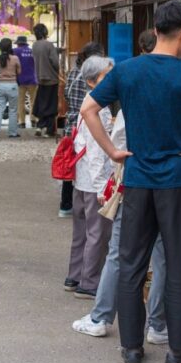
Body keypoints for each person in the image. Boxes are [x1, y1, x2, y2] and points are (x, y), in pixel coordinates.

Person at [80, 0, 181, 363]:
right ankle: (178, 352)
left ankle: (131, 348)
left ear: (156, 31)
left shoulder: (127, 71)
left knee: (131, 263)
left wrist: (114, 151)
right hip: (178, 182)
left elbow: (88, 110)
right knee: (178, 265)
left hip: (138, 180)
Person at [66, 56, 118, 298]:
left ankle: (74, 276)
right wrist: (101, 188)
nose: (112, 80)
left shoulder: (88, 103)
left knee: (81, 231)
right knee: (97, 233)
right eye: (106, 77)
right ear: (91, 81)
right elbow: (97, 152)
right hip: (93, 179)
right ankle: (89, 283)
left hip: (81, 177)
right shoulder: (99, 109)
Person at [60, 41, 109, 218]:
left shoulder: (73, 71)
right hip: (85, 119)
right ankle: (79, 200)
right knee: (85, 158)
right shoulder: (89, 78)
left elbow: (65, 94)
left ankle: (66, 204)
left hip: (71, 121)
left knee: (71, 160)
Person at [32, 24, 61, 138]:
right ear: (45, 32)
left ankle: (39, 126)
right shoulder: (49, 45)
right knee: (51, 105)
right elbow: (55, 62)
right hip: (51, 78)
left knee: (41, 103)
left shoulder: (35, 45)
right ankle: (49, 130)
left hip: (40, 78)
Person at [0, 38, 21, 139]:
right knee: (12, 109)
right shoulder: (15, 58)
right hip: (12, 85)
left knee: (0, 108)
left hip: (1, 85)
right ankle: (12, 132)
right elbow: (19, 72)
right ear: (10, 47)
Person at [13, 35, 38, 134]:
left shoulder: (15, 51)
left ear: (18, 43)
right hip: (32, 79)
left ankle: (22, 122)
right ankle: (33, 120)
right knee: (33, 101)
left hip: (20, 80)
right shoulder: (32, 51)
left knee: (20, 101)